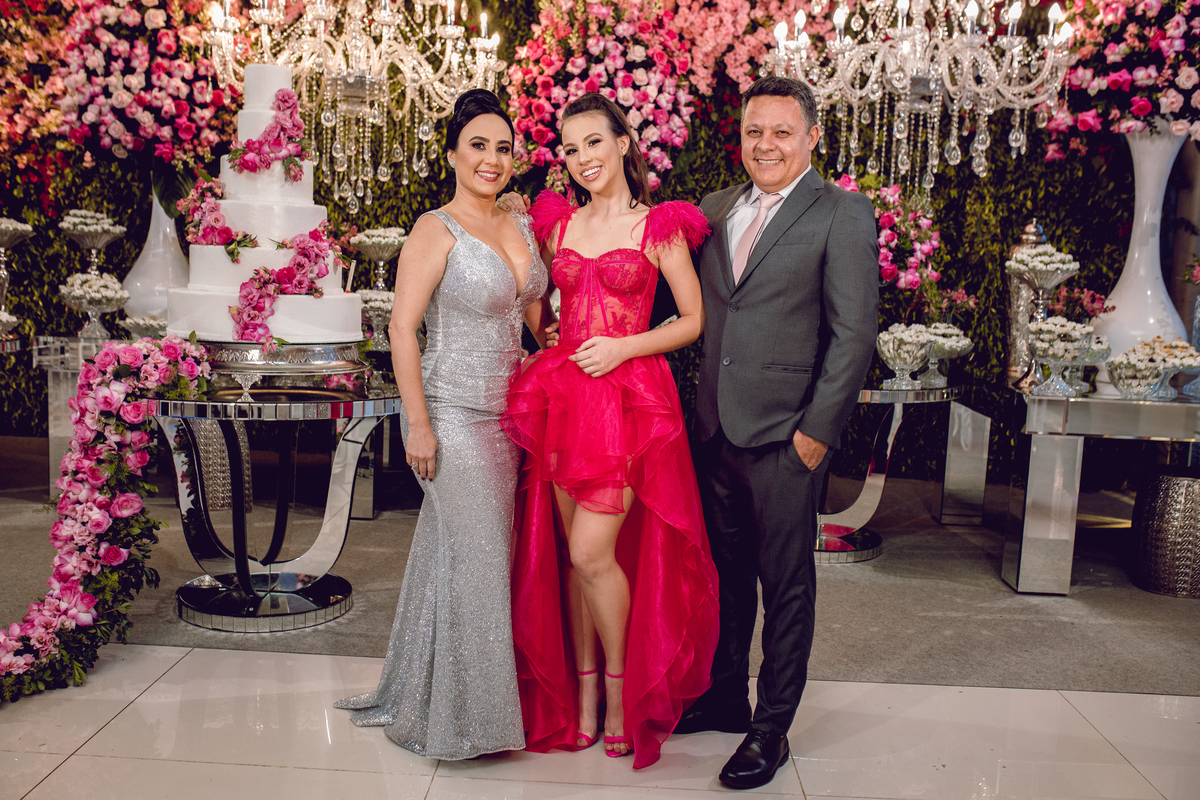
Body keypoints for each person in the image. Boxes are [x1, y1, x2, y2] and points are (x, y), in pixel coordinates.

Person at [501, 92, 720, 768]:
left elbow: (693, 320)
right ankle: (587, 693)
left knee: (591, 552)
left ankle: (623, 694)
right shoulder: (558, 226)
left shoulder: (658, 225)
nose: (582, 159)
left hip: (627, 400)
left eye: (593, 142)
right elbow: (538, 306)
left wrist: (624, 347)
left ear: (623, 143)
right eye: (570, 149)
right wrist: (546, 332)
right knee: (576, 558)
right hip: (564, 398)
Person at [335, 89, 552, 760]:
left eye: (503, 148)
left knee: (458, 554)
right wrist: (418, 424)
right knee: (480, 560)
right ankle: (470, 725)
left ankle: (421, 694)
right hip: (452, 413)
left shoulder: (518, 223)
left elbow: (536, 321)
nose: (492, 159)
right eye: (478, 145)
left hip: (513, 418)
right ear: (452, 154)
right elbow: (402, 330)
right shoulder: (435, 228)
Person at [677, 76, 879, 789]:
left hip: (788, 438)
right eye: (754, 131)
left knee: (786, 587)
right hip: (714, 430)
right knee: (725, 578)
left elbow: (854, 335)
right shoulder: (713, 209)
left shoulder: (842, 213)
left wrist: (816, 434)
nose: (766, 145)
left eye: (782, 132)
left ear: (812, 137)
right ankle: (725, 695)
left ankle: (770, 730)